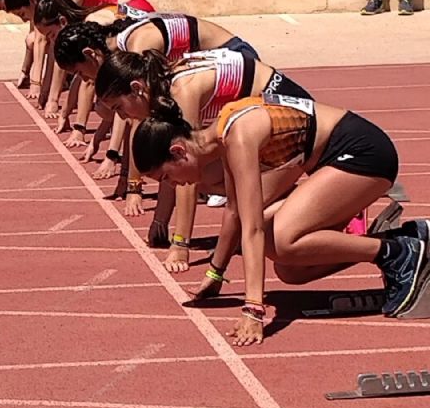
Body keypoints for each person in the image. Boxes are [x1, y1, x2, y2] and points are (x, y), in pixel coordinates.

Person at [132, 93, 429, 345]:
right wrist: (215, 275)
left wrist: (253, 309)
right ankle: (396, 241)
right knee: (291, 270)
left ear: (178, 151)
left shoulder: (237, 135)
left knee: (283, 241)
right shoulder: (222, 136)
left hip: (364, 154)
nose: (172, 186)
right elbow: (235, 211)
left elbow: (252, 229)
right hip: (329, 161)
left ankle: (398, 254)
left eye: (167, 177)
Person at [95, 48, 311, 272]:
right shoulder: (162, 90)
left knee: (201, 176)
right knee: (198, 175)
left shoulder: (181, 92)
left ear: (136, 89)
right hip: (264, 123)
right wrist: (160, 221)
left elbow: (185, 163)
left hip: (292, 122)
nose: (121, 117)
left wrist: (180, 244)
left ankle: (294, 200)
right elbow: (171, 167)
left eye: (118, 107)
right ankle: (278, 197)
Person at [53, 13, 260, 217]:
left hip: (235, 58)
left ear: (91, 54)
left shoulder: (139, 48)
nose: (84, 79)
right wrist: (123, 172)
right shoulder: (125, 50)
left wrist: (134, 188)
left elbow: (137, 122)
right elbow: (130, 118)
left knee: (190, 160)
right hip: (215, 77)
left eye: (80, 72)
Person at [0, 0, 154, 111]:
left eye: (22, 14)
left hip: (135, 11)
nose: (24, 19)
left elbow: (55, 50)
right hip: (121, 10)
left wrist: (52, 99)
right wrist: (43, 87)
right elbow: (48, 46)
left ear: (32, 1)